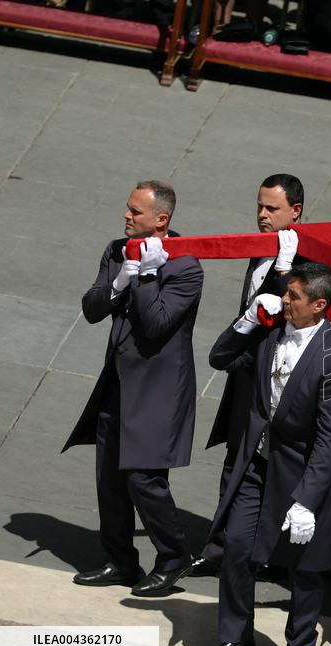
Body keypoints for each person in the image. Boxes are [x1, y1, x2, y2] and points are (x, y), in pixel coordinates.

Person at [198, 262, 331, 646]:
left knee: (303, 568)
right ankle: (236, 640)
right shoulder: (267, 335)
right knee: (236, 547)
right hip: (256, 464)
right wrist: (248, 318)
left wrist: (307, 499)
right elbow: (219, 357)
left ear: (319, 305)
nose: (285, 300)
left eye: (294, 296)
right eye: (286, 292)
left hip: (301, 474)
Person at [65, 181, 202, 596]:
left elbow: (158, 323)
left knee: (144, 478)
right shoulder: (116, 251)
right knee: (110, 477)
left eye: (135, 213)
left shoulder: (186, 267)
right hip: (120, 381)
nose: (126, 217)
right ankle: (120, 560)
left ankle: (174, 556)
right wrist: (119, 282)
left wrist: (143, 278)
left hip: (159, 388)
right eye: (127, 209)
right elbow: (91, 309)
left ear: (161, 220)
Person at [191, 173, 308, 578]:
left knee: (270, 466)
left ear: (295, 211)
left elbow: (279, 311)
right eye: (259, 206)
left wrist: (285, 267)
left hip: (276, 382)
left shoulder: (304, 262)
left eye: (271, 209)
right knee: (234, 458)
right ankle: (220, 546)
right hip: (245, 374)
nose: (261, 215)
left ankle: (264, 551)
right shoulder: (260, 250)